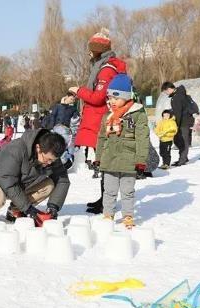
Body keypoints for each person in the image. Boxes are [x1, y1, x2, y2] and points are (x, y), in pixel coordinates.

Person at [68, 28, 126, 215]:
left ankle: (106, 200)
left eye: (91, 49)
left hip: (101, 120)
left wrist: (79, 91)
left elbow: (98, 97)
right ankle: (104, 198)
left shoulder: (106, 69)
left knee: (105, 163)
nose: (88, 52)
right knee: (103, 163)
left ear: (98, 50)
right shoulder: (104, 66)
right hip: (99, 119)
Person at [0, 129, 68, 226]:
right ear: (38, 148)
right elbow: (8, 180)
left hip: (17, 182)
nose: (50, 163)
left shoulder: (50, 154)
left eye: (53, 160)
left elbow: (63, 180)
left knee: (48, 186)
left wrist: (53, 207)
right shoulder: (16, 149)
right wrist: (28, 208)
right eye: (48, 159)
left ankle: (15, 210)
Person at [95, 74, 149, 229]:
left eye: (116, 98)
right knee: (109, 191)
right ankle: (108, 215)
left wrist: (140, 160)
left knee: (127, 192)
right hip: (109, 160)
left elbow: (142, 138)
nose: (112, 101)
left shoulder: (138, 114)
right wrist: (98, 158)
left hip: (129, 161)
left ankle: (128, 216)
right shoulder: (107, 116)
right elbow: (101, 138)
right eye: (110, 98)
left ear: (126, 97)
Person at [160, 81, 195, 166]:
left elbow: (178, 112)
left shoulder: (177, 97)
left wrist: (176, 124)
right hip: (183, 121)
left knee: (183, 141)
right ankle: (183, 157)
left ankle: (182, 160)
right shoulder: (178, 95)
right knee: (178, 140)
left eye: (165, 92)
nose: (166, 93)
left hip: (184, 122)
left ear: (169, 89)